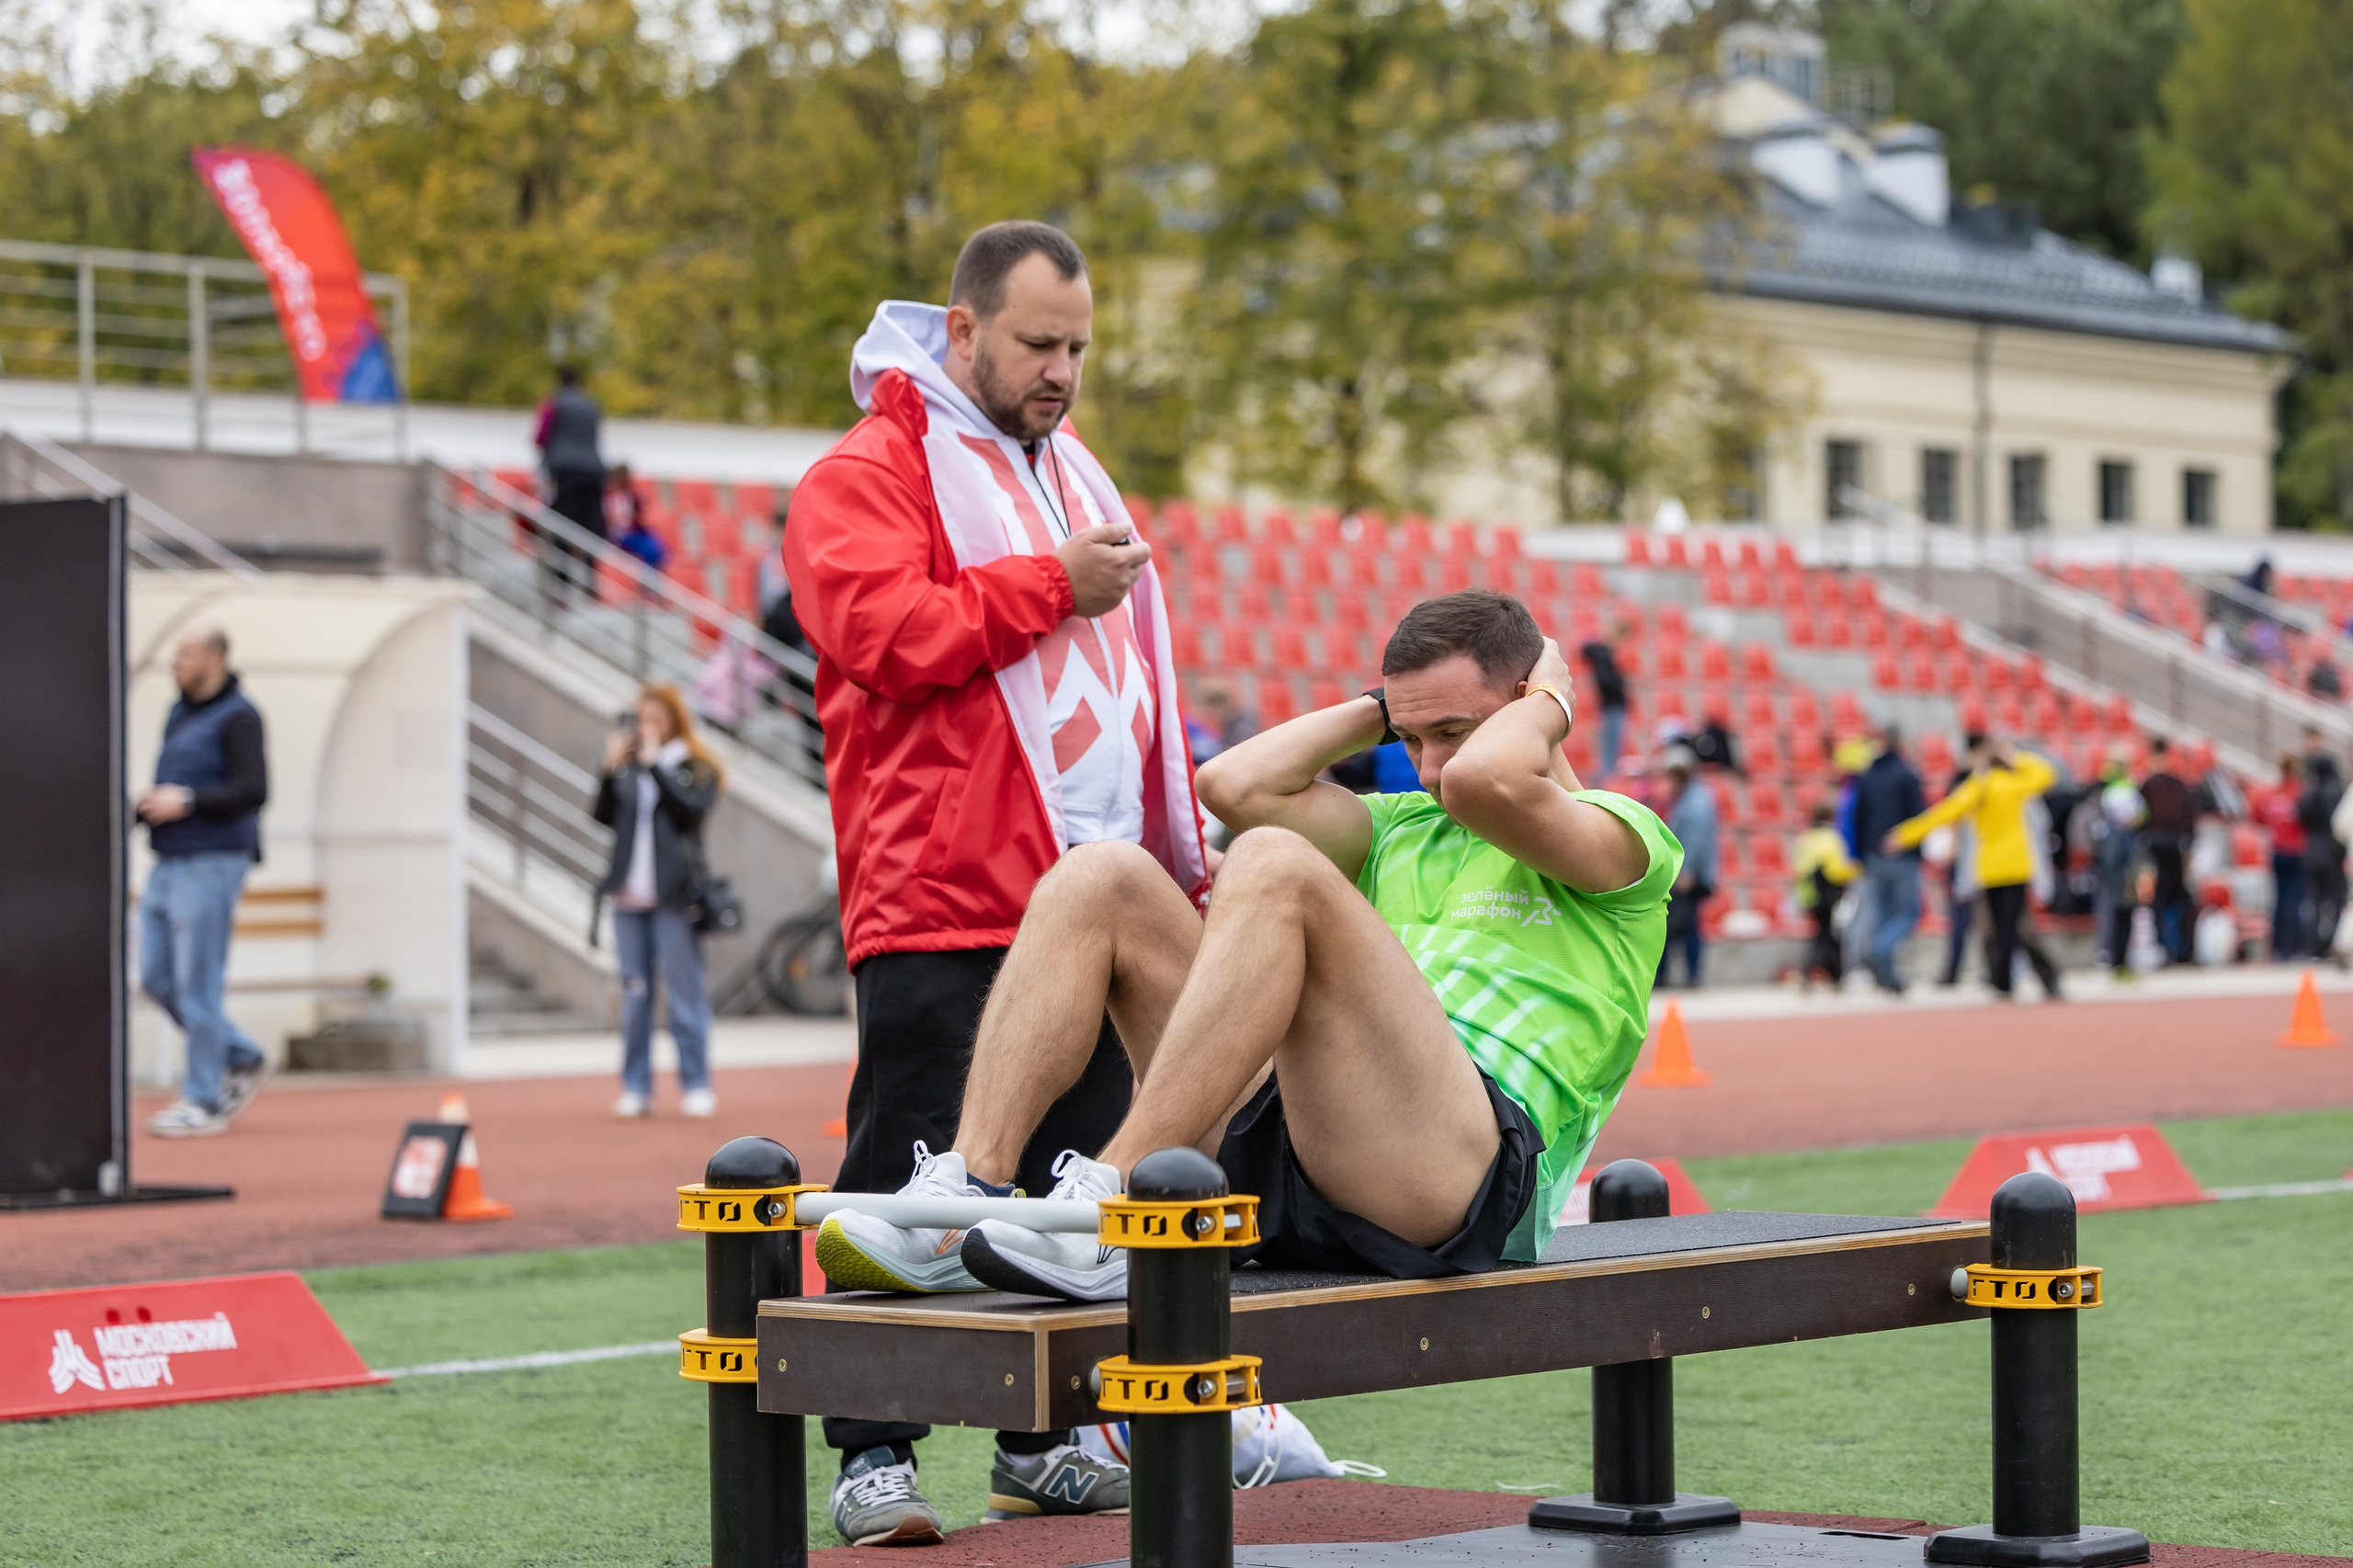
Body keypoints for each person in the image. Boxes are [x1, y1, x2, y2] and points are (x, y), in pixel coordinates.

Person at [818, 589, 1677, 1308]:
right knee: (1102, 875)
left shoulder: (1623, 836)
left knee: (1272, 863)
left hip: (1459, 1181)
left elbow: (1490, 779)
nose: (1426, 766)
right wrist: (1390, 709)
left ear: (1527, 703)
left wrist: (1551, 703)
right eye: (1411, 740)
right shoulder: (1397, 829)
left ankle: (1119, 1205)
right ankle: (964, 1194)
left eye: (1451, 730)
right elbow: (1231, 785)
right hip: (1309, 1140)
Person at [781, 221, 1212, 1544]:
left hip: (1078, 893)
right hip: (940, 886)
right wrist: (1049, 585)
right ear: (959, 329)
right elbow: (882, 635)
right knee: (904, 1188)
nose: (1062, 369)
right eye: (1037, 341)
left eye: (1078, 344)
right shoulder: (866, 470)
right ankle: (871, 1455)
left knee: (1063, 1195)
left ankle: (1047, 1440)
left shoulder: (1073, 474)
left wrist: (1171, 850)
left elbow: (1135, 689)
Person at [139, 623, 272, 1138]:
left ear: (214, 658)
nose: (176, 662)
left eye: (187, 653)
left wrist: (188, 802)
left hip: (214, 860)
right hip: (168, 859)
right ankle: (239, 1054)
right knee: (154, 977)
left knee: (199, 985)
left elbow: (255, 789)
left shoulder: (240, 716)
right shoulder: (179, 713)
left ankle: (203, 1099)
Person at [593, 686, 723, 1119]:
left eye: (654, 718)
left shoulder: (692, 766)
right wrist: (610, 771)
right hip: (628, 899)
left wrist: (655, 768)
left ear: (672, 720)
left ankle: (696, 1083)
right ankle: (635, 1086)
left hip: (674, 897)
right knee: (634, 995)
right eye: (640, 718)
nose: (645, 726)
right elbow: (601, 815)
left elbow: (691, 812)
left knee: (684, 994)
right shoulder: (627, 769)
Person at [1889, 739, 2063, 1001]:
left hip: (1989, 867)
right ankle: (2019, 980)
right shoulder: (2014, 785)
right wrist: (2016, 757)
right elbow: (2047, 773)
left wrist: (1905, 835)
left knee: (2000, 928)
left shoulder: (1978, 786)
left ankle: (2005, 982)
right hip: (2016, 866)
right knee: (2011, 927)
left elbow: (1944, 813)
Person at [1847, 727, 1927, 994]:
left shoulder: (1868, 776)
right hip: (1902, 856)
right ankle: (1879, 949)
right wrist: (1917, 850)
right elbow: (1919, 817)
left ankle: (1888, 976)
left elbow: (1857, 819)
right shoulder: (1906, 775)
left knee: (1882, 914)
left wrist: (1860, 854)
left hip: (1873, 856)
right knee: (1908, 912)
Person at [534, 365, 607, 599]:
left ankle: (562, 587)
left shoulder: (554, 404)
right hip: (595, 472)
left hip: (566, 472)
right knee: (590, 527)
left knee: (561, 526)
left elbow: (540, 438)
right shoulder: (592, 406)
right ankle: (590, 584)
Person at [1654, 750, 1716, 987]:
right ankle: (1687, 974)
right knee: (1686, 925)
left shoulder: (1696, 802)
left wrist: (1686, 870)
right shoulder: (1690, 798)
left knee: (1684, 926)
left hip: (1688, 875)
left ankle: (1689, 975)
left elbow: (1694, 839)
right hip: (1688, 872)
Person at [2082, 744, 2144, 978]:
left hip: (2110, 854)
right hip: (2119, 855)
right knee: (2120, 906)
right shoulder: (2121, 790)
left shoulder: (2103, 787)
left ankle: (2114, 953)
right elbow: (2132, 819)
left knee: (2115, 905)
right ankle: (2116, 954)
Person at [1937, 733, 1987, 986]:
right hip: (1968, 857)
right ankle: (1952, 972)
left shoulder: (1984, 780)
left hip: (1981, 856)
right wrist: (1953, 847)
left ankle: (1992, 969)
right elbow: (1954, 816)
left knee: (1983, 919)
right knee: (1961, 918)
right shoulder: (1965, 780)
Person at [2140, 737, 2196, 964]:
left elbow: (2138, 818)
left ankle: (2170, 948)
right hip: (2173, 845)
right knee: (2176, 898)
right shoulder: (2176, 785)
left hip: (2157, 845)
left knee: (2162, 899)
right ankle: (2179, 950)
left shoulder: (2148, 785)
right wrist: (2189, 846)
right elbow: (2190, 819)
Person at [1790, 799, 1857, 988]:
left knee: (1825, 934)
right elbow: (1836, 870)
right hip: (1829, 894)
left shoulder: (1805, 838)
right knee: (1827, 936)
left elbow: (1798, 868)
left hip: (1810, 895)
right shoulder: (1831, 838)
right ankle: (1808, 969)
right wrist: (1853, 873)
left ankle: (1835, 974)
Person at [2256, 755, 2307, 960]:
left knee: (2278, 900)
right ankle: (2295, 947)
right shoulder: (2299, 793)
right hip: (2295, 851)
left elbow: (2261, 817)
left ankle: (2278, 948)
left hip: (2277, 852)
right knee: (2294, 900)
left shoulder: (2272, 794)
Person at [2297, 751, 2347, 959]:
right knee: (2336, 900)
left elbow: (2300, 815)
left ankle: (2314, 946)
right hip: (2333, 854)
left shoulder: (2310, 794)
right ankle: (2330, 944)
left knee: (2314, 901)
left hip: (2313, 853)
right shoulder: (2338, 794)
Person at [1578, 633, 1628, 779]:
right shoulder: (1603, 659)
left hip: (1610, 708)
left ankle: (1605, 782)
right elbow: (1607, 682)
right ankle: (1605, 784)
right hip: (1611, 708)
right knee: (1609, 756)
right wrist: (1620, 682)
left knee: (1610, 755)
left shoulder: (1602, 658)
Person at [607, 465, 665, 575]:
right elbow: (614, 521)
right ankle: (647, 582)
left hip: (630, 533)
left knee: (657, 546)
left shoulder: (628, 495)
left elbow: (633, 517)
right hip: (620, 536)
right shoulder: (609, 497)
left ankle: (649, 580)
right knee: (649, 550)